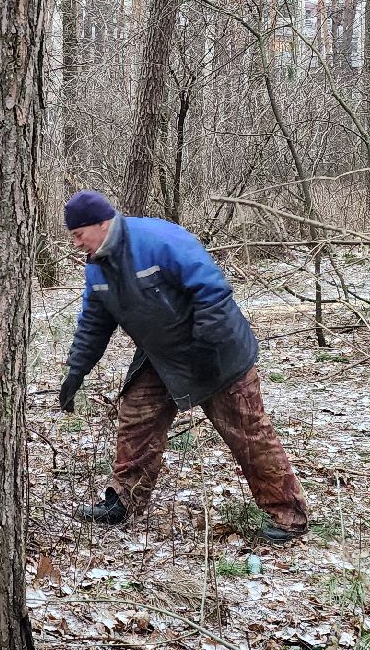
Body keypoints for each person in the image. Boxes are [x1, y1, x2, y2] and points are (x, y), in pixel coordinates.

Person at [57, 190, 309, 544]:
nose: (77, 244)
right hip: (161, 355)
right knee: (137, 418)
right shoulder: (98, 267)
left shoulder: (160, 240)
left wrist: (206, 351)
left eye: (79, 235)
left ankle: (288, 514)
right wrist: (77, 370)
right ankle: (123, 501)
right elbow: (94, 323)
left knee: (247, 432)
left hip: (218, 350)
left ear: (102, 223)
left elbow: (213, 293)